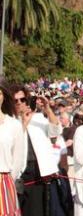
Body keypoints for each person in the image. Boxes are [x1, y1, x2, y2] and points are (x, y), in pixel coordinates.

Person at [13, 85, 69, 216]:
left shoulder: (38, 118)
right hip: (19, 173)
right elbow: (14, 142)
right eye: (16, 100)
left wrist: (48, 109)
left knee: (40, 209)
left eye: (23, 99)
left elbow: (56, 131)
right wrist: (24, 123)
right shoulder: (10, 121)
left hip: (39, 171)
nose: (20, 103)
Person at [0, 83, 24, 216]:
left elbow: (18, 160)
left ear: (4, 97)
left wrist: (8, 179)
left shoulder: (13, 125)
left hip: (4, 181)